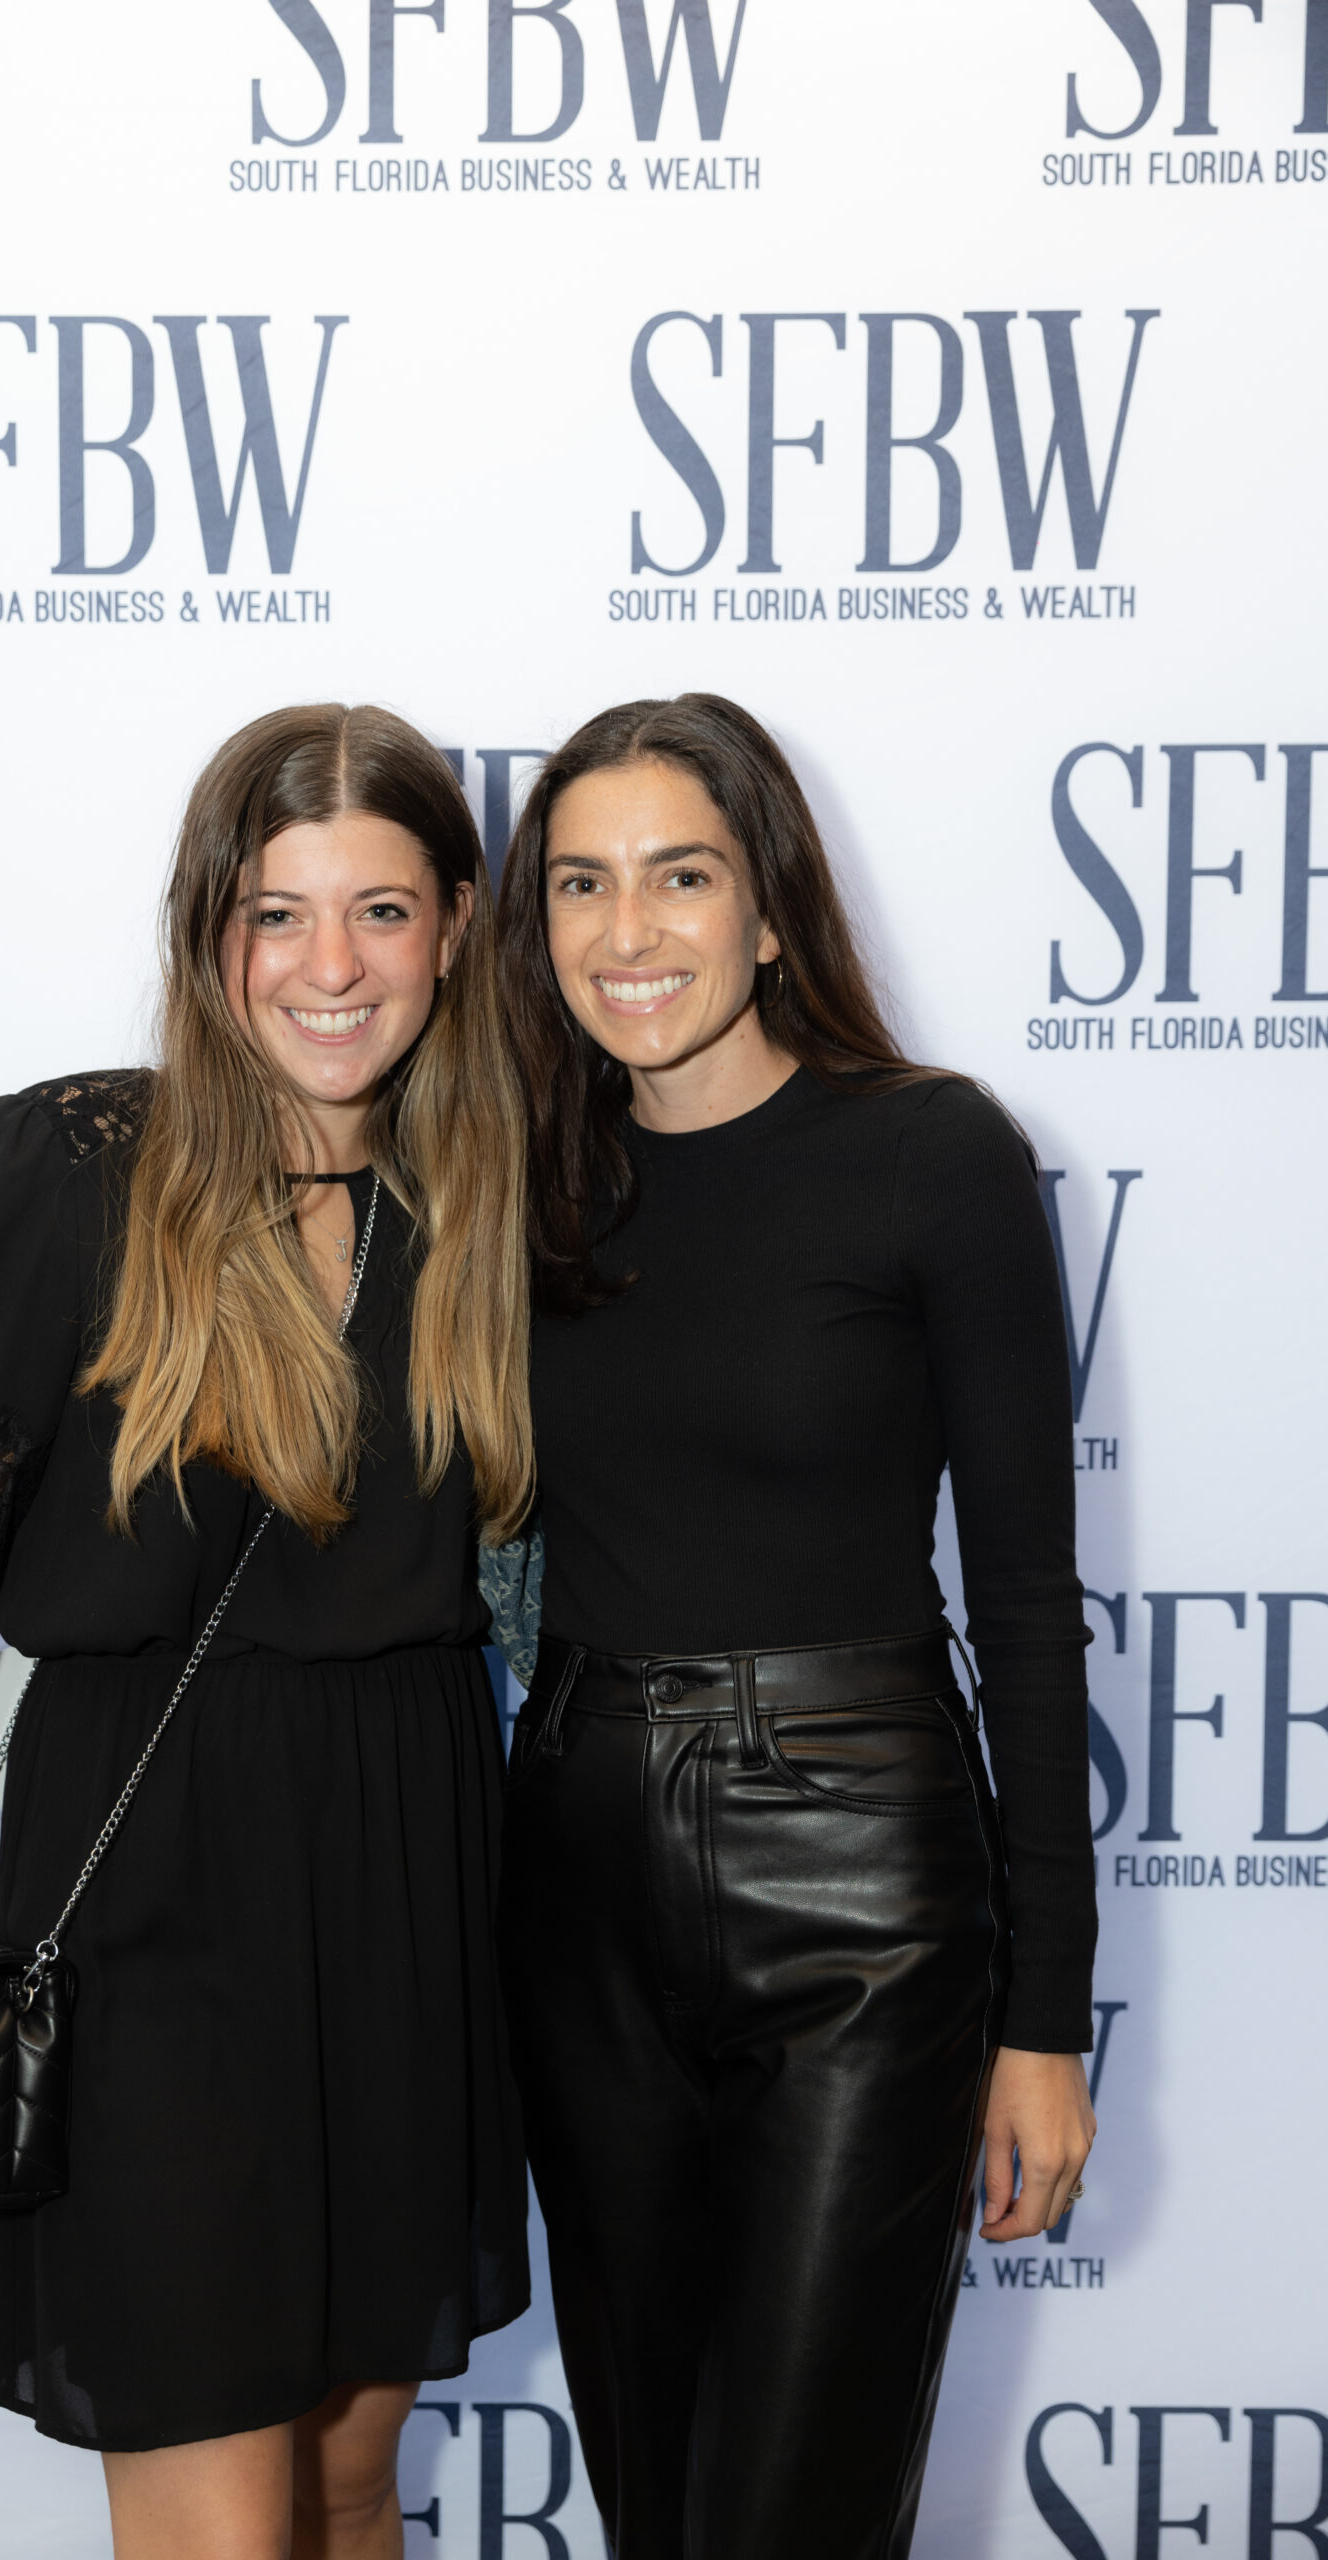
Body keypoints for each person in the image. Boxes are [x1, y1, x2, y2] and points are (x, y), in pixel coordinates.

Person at [0, 704, 534, 2560]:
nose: (330, 968)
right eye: (278, 914)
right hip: (154, 1886)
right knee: (218, 2508)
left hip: (415, 1866)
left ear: (453, 929)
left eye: (380, 911)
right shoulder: (65, 1167)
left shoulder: (491, 1194)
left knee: (349, 2483)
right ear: (211, 932)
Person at [492, 693, 1097, 2560]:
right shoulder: (517, 1185)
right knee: (656, 2498)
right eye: (581, 883)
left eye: (681, 876)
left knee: (792, 2518)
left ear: (769, 911)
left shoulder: (931, 1154)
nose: (628, 930)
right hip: (577, 1871)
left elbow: (1029, 1604)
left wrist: (1045, 2023)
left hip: (860, 1880)